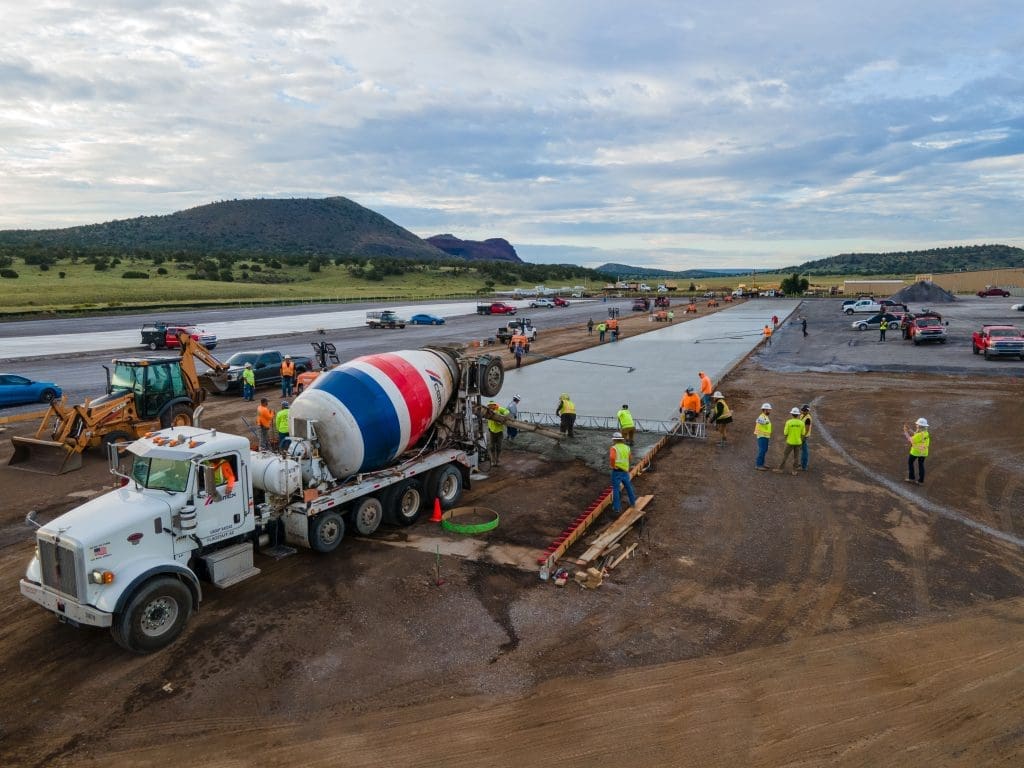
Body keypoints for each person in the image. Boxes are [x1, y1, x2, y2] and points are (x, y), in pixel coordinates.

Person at [609, 432, 637, 514]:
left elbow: (612, 457)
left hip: (617, 471)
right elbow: (630, 458)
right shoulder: (627, 447)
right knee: (628, 487)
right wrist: (627, 467)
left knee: (616, 489)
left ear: (614, 440)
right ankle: (633, 503)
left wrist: (613, 466)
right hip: (625, 471)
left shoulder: (614, 448)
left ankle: (616, 508)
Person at [775, 407, 804, 475]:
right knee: (796, 457)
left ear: (792, 414)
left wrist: (786, 439)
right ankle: (794, 471)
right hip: (798, 442)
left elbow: (785, 433)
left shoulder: (789, 422)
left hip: (790, 442)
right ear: (798, 414)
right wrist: (801, 441)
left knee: (785, 455)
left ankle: (781, 469)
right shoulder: (801, 423)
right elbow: (803, 434)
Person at [903, 417, 930, 484]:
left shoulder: (919, 435)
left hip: (915, 452)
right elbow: (917, 435)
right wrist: (910, 430)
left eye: (917, 424)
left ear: (920, 426)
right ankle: (921, 481)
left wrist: (906, 432)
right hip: (924, 452)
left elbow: (910, 439)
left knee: (910, 463)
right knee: (921, 465)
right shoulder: (925, 433)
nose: (916, 425)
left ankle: (911, 478)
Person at [486, 401, 509, 467]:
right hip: (491, 432)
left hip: (499, 432)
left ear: (494, 405)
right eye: (489, 405)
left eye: (491, 405)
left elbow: (507, 411)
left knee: (499, 447)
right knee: (492, 447)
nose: (490, 407)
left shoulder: (499, 409)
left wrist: (503, 415)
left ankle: (498, 459)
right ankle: (493, 460)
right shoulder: (488, 411)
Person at [754, 403, 772, 470]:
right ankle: (758, 465)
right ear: (764, 410)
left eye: (770, 410)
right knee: (762, 450)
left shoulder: (765, 416)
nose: (770, 411)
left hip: (765, 436)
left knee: (764, 450)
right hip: (762, 436)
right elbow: (758, 420)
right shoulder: (761, 416)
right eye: (768, 410)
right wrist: (765, 422)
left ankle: (762, 463)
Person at [800, 404, 812, 471]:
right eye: (804, 410)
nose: (804, 411)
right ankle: (802, 464)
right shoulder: (802, 415)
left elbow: (807, 429)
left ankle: (804, 466)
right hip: (802, 435)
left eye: (805, 411)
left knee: (805, 451)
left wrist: (803, 437)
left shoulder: (808, 418)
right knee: (803, 450)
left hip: (804, 436)